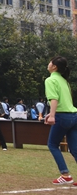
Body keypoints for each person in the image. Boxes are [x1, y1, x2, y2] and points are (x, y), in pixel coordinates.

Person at [44, 56, 77, 185]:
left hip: (62, 116)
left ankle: (65, 175)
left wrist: (52, 115)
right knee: (74, 148)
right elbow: (66, 101)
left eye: (50, 62)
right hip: (73, 115)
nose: (48, 64)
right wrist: (51, 113)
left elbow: (54, 99)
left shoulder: (50, 80)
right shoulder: (64, 81)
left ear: (54, 67)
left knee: (52, 145)